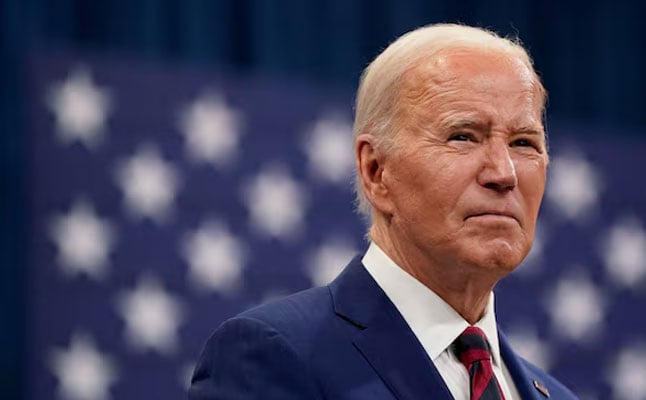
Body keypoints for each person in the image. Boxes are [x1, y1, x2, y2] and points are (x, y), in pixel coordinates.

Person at [189, 23, 578, 400]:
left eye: (524, 142)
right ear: (376, 171)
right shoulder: (273, 357)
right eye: (462, 136)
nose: (504, 174)